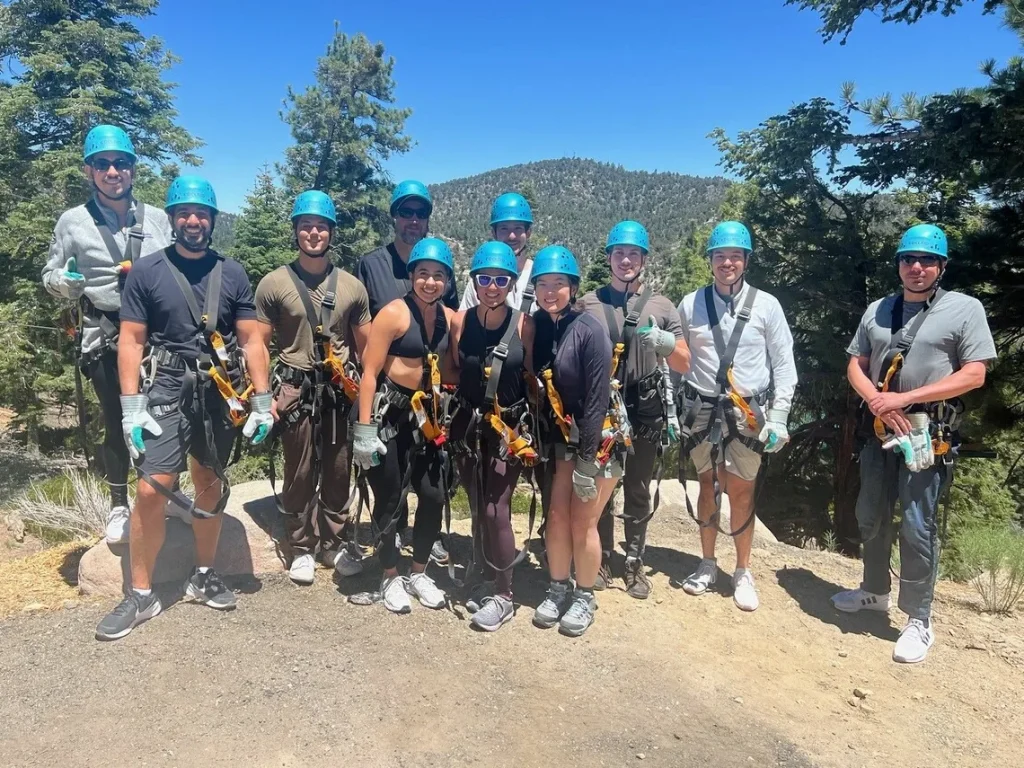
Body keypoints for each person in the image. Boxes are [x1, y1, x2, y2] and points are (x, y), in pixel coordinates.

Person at [94, 176, 271, 641]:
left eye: (202, 213)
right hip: (169, 384)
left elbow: (252, 339)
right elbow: (131, 340)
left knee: (208, 481)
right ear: (172, 219)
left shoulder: (231, 273)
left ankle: (204, 572)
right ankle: (140, 593)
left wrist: (263, 400)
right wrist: (132, 406)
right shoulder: (149, 271)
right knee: (154, 488)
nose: (193, 221)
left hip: (218, 385)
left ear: (212, 219)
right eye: (184, 213)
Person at [831, 223, 995, 664]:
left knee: (917, 526)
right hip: (881, 430)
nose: (916, 267)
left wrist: (905, 398)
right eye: (908, 260)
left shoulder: (964, 310)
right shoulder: (878, 310)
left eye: (926, 261)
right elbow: (855, 364)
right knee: (871, 513)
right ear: (899, 265)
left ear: (941, 266)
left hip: (928, 434)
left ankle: (919, 618)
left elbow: (975, 373)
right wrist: (879, 403)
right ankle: (874, 591)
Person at [42, 125, 173, 544]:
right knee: (116, 423)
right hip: (106, 334)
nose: (113, 171)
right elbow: (50, 274)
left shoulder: (156, 219)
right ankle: (119, 503)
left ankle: (166, 492)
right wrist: (65, 282)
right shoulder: (73, 223)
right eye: (103, 164)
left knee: (167, 419)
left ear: (133, 169)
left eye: (121, 163)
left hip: (157, 337)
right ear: (90, 170)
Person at [676, 221, 797, 612]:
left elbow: (784, 364)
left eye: (734, 256)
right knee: (707, 485)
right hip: (702, 407)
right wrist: (669, 406)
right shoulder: (691, 303)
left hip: (747, 412)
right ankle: (708, 562)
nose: (727, 263)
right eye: (720, 256)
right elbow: (679, 359)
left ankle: (743, 569)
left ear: (745, 261)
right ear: (710, 261)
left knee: (742, 490)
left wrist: (779, 416)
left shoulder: (767, 305)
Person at [254, 191, 371, 584]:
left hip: (338, 390)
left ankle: (333, 543)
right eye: (306, 226)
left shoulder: (353, 287)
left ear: (331, 232)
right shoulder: (274, 284)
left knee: (339, 470)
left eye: (321, 226)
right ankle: (301, 545)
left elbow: (366, 346)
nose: (314, 232)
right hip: (295, 387)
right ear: (296, 231)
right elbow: (260, 344)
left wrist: (368, 399)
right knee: (299, 471)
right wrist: (261, 398)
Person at [578, 221, 690, 599]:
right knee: (601, 485)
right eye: (619, 253)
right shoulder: (589, 303)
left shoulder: (661, 306)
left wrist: (666, 343)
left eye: (633, 254)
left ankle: (634, 562)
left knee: (638, 486)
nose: (626, 260)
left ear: (643, 259)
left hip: (644, 406)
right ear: (609, 258)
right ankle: (603, 557)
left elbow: (685, 362)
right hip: (604, 404)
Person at [352, 237, 457, 614]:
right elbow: (368, 371)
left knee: (432, 494)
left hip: (428, 418)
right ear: (411, 275)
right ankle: (389, 574)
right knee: (391, 497)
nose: (430, 282)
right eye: (423, 274)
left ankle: (418, 571)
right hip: (390, 416)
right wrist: (364, 430)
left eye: (438, 275)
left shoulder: (449, 318)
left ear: (447, 281)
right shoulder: (394, 314)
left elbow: (459, 364)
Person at [529, 245, 617, 637]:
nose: (550, 291)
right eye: (543, 284)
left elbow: (597, 401)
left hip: (598, 439)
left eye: (558, 284)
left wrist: (586, 463)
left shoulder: (589, 330)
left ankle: (584, 595)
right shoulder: (544, 324)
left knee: (583, 521)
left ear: (573, 287)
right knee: (558, 516)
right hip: (564, 437)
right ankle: (557, 586)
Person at [449, 241, 536, 631]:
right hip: (468, 427)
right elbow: (455, 367)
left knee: (495, 508)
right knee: (475, 500)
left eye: (502, 279)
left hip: (507, 430)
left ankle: (504, 593)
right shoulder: (460, 322)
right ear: (475, 281)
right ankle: (484, 573)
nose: (493, 286)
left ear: (512, 283)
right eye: (485, 278)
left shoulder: (523, 324)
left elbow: (532, 378)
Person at [459, 192, 535, 311]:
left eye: (518, 228)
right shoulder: (480, 280)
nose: (511, 236)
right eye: (504, 228)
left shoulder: (539, 278)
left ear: (528, 233)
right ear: (494, 233)